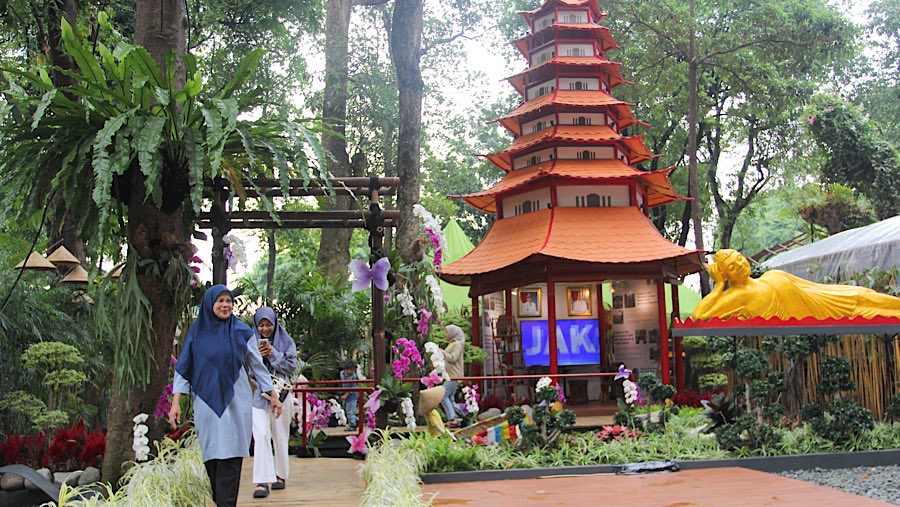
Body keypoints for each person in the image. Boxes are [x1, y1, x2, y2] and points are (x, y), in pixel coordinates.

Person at [169, 285, 282, 507]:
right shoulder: (196, 334)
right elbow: (183, 368)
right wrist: (176, 403)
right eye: (220, 301)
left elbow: (257, 367)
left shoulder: (243, 333)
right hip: (206, 403)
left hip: (236, 402)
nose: (225, 305)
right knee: (212, 457)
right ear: (210, 304)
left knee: (231, 458)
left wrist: (273, 394)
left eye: (228, 301)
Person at [693, 249, 900, 320]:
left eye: (739, 258)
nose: (739, 265)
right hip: (818, 315)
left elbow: (810, 286)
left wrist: (838, 290)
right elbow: (700, 316)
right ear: (726, 274)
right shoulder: (738, 296)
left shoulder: (770, 275)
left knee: (864, 295)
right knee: (872, 313)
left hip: (826, 297)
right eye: (732, 266)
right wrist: (719, 286)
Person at [251, 307, 297, 499]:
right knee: (261, 435)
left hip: (282, 394)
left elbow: (292, 366)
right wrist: (259, 356)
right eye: (261, 324)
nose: (264, 328)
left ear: (275, 323)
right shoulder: (250, 342)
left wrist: (273, 354)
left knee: (279, 435)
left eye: (268, 324)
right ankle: (262, 481)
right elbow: (246, 368)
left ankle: (280, 475)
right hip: (259, 395)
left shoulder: (286, 342)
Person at [440, 325, 466, 427]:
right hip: (450, 375)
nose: (445, 334)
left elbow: (453, 358)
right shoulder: (452, 344)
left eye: (447, 332)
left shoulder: (457, 344)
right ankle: (456, 418)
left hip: (454, 375)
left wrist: (443, 352)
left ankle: (452, 418)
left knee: (443, 395)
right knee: (450, 397)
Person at [339, 360, 359, 430]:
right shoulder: (341, 373)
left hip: (353, 395)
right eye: (351, 370)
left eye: (353, 370)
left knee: (350, 411)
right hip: (345, 392)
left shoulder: (353, 376)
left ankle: (353, 425)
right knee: (345, 410)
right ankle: (357, 420)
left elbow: (352, 388)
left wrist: (346, 395)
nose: (352, 371)